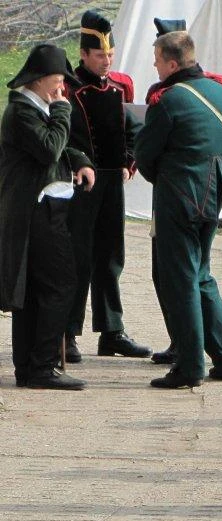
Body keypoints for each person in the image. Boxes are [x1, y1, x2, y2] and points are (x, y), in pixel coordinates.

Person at [134, 31, 222, 389]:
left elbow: (145, 156)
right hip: (215, 198)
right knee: (202, 275)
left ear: (171, 62)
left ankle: (190, 366)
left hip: (178, 198)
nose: (155, 65)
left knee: (180, 280)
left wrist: (168, 177)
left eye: (156, 59)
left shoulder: (168, 101)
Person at [0, 44, 95, 390]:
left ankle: (29, 366)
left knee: (39, 288)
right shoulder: (23, 111)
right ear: (40, 81)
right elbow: (48, 148)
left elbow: (60, 146)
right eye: (58, 81)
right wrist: (63, 110)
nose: (62, 89)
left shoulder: (35, 107)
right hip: (38, 210)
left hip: (44, 208)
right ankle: (41, 365)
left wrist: (80, 160)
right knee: (60, 286)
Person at [64, 10, 151, 363]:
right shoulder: (69, 88)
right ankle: (67, 332)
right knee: (78, 258)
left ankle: (112, 330)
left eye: (110, 55)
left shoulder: (120, 86)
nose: (106, 62)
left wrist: (130, 162)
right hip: (82, 182)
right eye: (100, 55)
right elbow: (66, 134)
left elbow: (132, 127)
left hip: (113, 178)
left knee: (111, 256)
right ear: (84, 54)